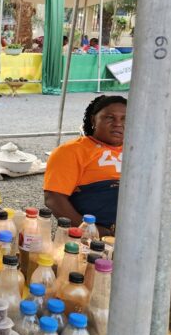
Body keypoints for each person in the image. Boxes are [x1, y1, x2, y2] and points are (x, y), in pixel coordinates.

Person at [43, 95, 127, 236]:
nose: (118, 123)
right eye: (110, 117)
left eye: (125, 118)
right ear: (94, 120)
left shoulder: (139, 152)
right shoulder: (71, 151)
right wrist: (90, 231)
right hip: (100, 227)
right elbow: (53, 198)